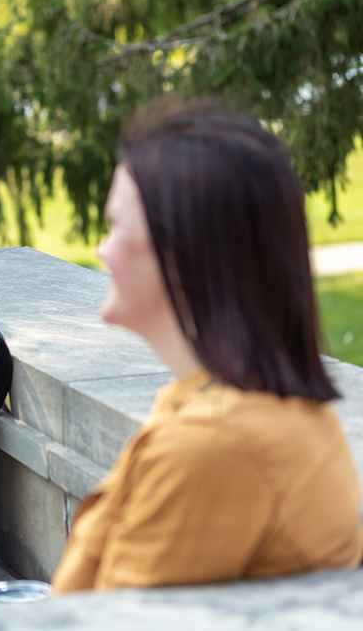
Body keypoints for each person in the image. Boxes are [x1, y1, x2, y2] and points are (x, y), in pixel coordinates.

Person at [50, 99, 363, 593]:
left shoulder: (215, 443)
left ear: (182, 253)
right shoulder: (230, 403)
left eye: (117, 228)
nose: (102, 250)